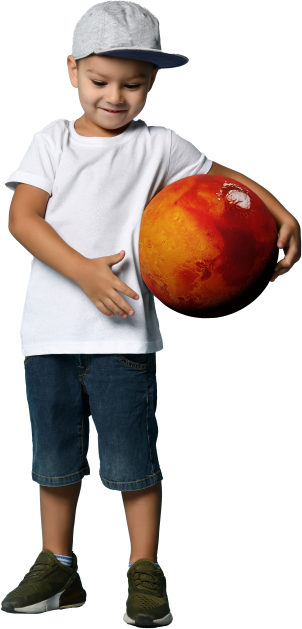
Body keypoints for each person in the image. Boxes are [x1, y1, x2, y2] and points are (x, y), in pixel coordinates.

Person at [2, 0, 301, 621]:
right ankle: (57, 567)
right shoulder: (52, 140)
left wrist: (280, 212)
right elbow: (21, 218)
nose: (115, 96)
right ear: (72, 71)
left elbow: (228, 180)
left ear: (152, 85)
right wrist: (83, 271)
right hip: (51, 334)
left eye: (133, 85)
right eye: (101, 81)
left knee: (134, 461)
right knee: (54, 461)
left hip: (125, 339)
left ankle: (144, 570)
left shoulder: (159, 145)